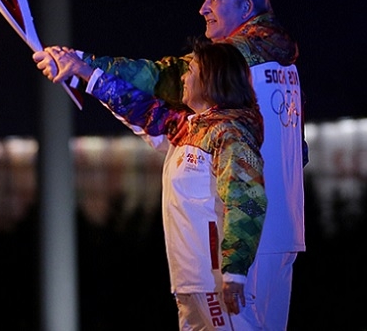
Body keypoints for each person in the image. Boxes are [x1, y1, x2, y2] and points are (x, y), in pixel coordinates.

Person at [35, 0, 304, 330]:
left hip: (241, 245)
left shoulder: (236, 67)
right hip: (271, 236)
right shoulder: (272, 68)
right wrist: (84, 70)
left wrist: (86, 62)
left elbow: (159, 78)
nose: (203, 9)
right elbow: (146, 111)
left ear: (246, 9)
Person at [45, 40, 268, 329]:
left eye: (191, 71)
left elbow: (248, 200)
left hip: (214, 281)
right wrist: (83, 71)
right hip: (188, 280)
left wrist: (234, 273)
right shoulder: (188, 128)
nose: (183, 78)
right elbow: (136, 105)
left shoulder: (230, 135)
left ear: (212, 79)